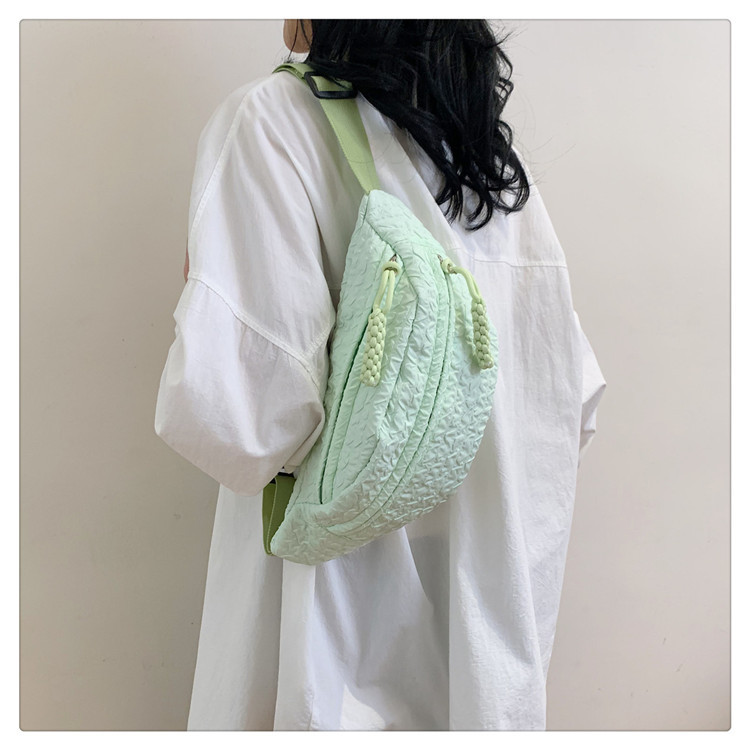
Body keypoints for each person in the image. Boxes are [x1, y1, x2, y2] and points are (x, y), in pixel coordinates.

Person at [155, 19, 607, 731]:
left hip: (331, 647)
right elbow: (569, 403)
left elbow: (247, 423)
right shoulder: (488, 164)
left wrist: (201, 299)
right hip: (485, 655)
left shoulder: (276, 122)